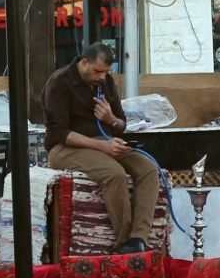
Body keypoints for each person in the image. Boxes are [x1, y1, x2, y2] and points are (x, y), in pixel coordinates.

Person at [42, 43, 159, 254]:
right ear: (84, 63)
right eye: (98, 71)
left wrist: (110, 119)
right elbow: (59, 132)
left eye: (106, 72)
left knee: (148, 169)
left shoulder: (106, 82)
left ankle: (137, 239)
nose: (102, 77)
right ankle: (124, 242)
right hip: (65, 148)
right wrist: (102, 146)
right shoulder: (59, 83)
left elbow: (122, 124)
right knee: (114, 174)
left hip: (104, 142)